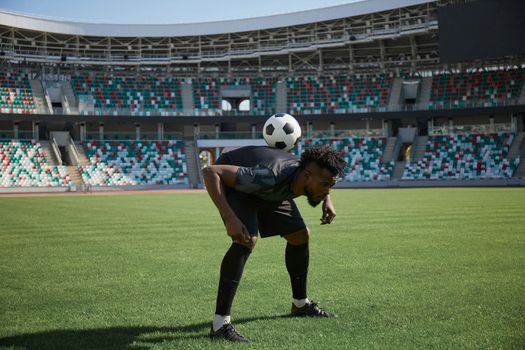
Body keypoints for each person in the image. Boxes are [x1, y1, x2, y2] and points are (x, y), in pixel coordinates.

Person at [202, 144, 347, 343]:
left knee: (300, 236)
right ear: (306, 177)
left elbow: (319, 174)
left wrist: (326, 198)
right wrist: (230, 218)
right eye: (325, 185)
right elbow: (211, 172)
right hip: (239, 188)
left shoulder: (306, 171)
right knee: (246, 241)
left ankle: (300, 304)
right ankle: (220, 324)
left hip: (271, 191)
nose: (327, 189)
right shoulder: (267, 175)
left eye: (330, 185)